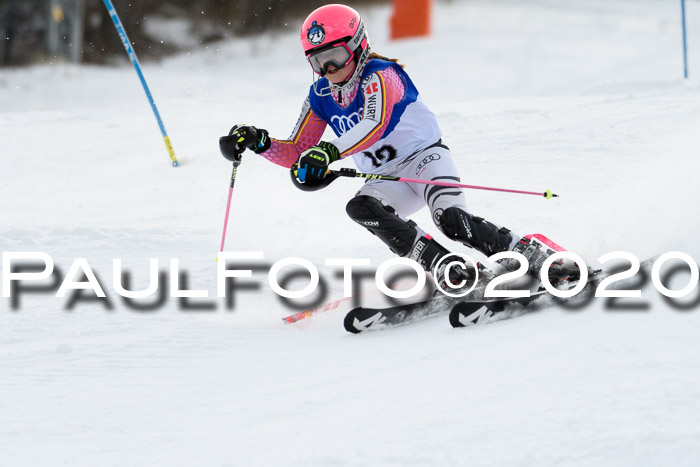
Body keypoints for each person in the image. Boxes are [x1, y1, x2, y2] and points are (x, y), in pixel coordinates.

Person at [219, 4, 577, 290]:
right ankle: (442, 266)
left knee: (452, 220)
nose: (328, 69)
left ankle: (532, 255)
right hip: (386, 175)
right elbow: (298, 150)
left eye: (336, 56)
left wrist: (328, 152)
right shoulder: (322, 94)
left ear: (358, 45)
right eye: (317, 61)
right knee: (360, 206)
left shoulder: (382, 74)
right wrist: (259, 142)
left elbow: (375, 124)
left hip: (425, 160)